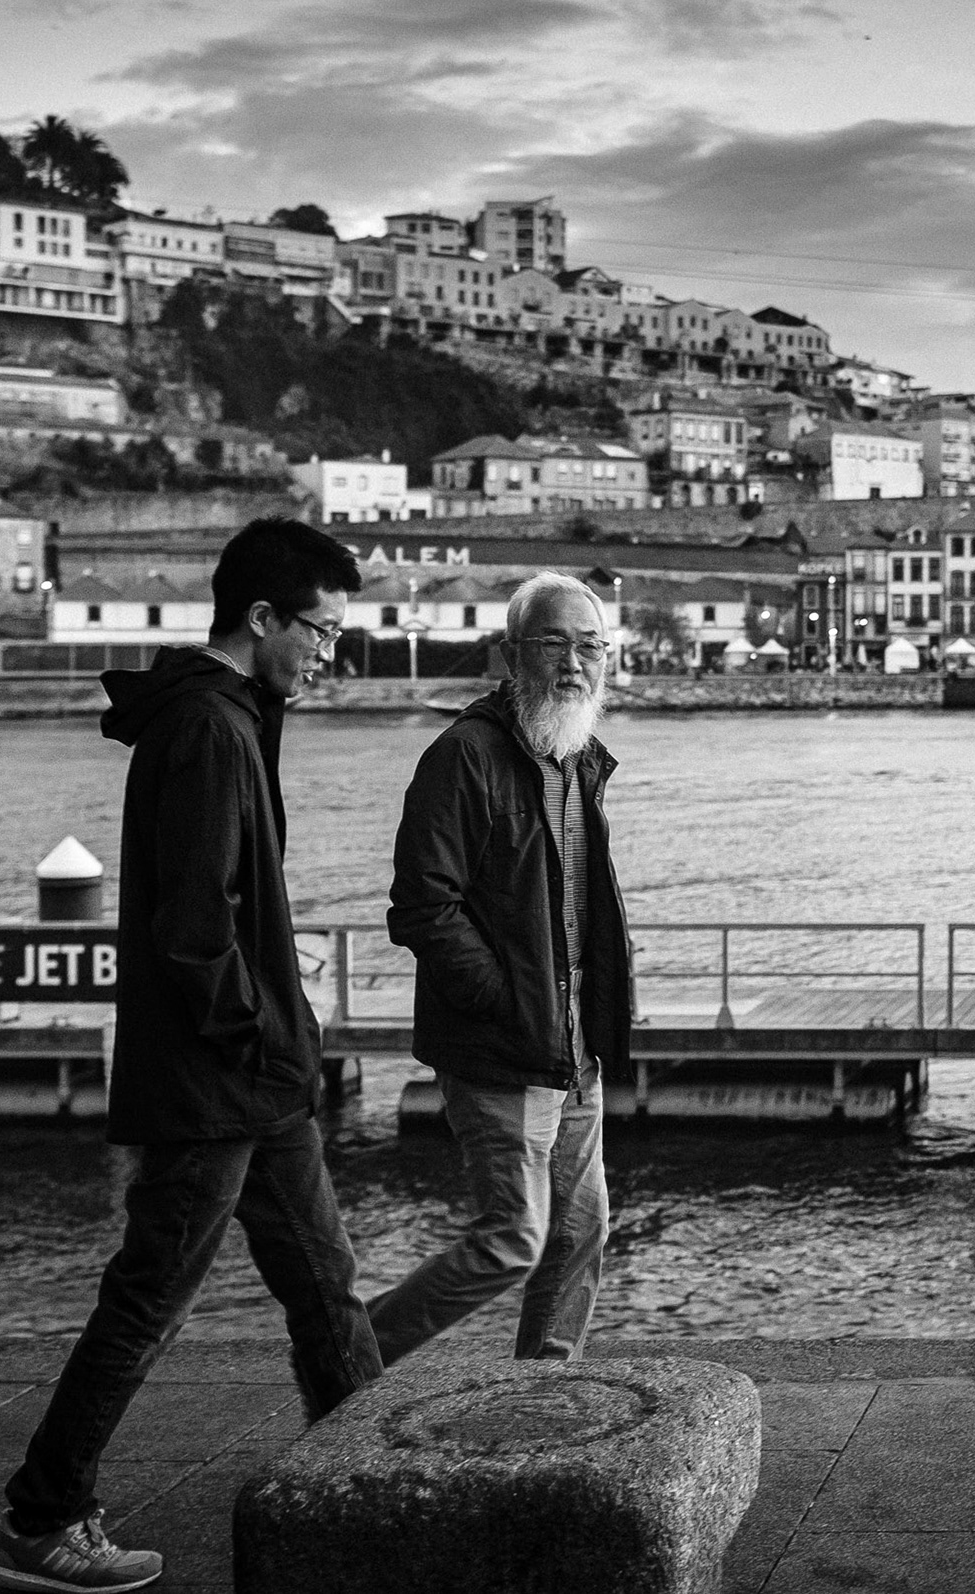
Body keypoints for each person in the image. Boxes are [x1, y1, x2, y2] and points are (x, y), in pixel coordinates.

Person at [0, 519, 379, 1594]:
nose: (331, 656)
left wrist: (278, 1024)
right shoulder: (207, 729)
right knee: (150, 1296)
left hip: (256, 1076)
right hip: (220, 1083)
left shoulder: (233, 715)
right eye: (323, 633)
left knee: (327, 1286)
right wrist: (265, 1028)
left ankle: (378, 1488)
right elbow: (196, 932)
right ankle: (42, 1514)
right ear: (262, 619)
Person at [369, 572, 634, 1367]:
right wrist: (506, 1001)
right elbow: (423, 907)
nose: (575, 663)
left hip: (572, 1048)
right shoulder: (463, 757)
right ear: (507, 654)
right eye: (553, 644)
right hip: (501, 1046)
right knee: (514, 1237)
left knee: (581, 1231)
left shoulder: (577, 759)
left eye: (591, 646)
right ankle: (351, 1351)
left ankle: (544, 1390)